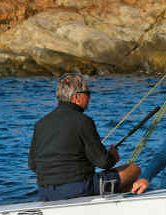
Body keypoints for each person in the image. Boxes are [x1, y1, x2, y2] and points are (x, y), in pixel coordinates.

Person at [28, 73, 141, 201]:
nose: (89, 98)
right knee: (133, 169)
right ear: (77, 97)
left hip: (45, 193)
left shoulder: (40, 123)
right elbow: (104, 163)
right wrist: (113, 157)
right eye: (88, 94)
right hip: (79, 189)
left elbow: (32, 165)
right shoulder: (83, 121)